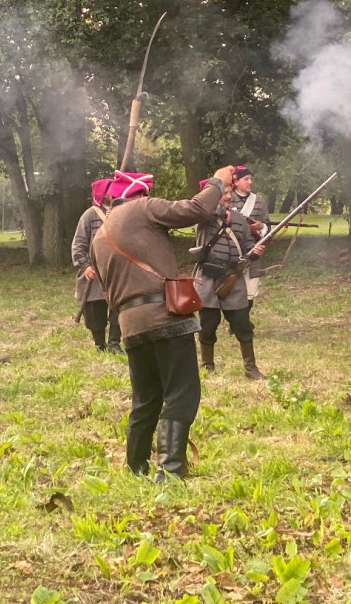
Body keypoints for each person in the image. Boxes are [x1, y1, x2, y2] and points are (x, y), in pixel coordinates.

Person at [90, 166, 234, 481]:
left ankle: (136, 467)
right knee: (182, 393)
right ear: (139, 194)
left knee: (146, 399)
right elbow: (194, 209)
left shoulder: (99, 237)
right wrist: (217, 182)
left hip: (130, 325)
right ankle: (169, 471)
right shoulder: (144, 208)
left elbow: (106, 290)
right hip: (165, 318)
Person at [193, 179, 267, 380]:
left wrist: (254, 252)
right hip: (207, 278)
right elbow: (201, 209)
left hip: (233, 278)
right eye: (223, 193)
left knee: (242, 323)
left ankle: (250, 368)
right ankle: (207, 365)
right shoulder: (203, 217)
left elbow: (246, 245)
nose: (228, 196)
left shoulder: (239, 219)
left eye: (228, 193)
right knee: (208, 325)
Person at [72, 178, 122, 353]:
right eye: (109, 190)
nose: (113, 193)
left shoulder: (121, 212)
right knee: (95, 309)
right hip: (94, 270)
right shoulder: (89, 215)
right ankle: (100, 344)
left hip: (116, 270)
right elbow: (78, 244)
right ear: (102, 194)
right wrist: (85, 266)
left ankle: (115, 343)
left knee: (118, 307)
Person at [228, 166, 270, 314]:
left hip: (253, 252)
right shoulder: (227, 199)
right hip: (231, 251)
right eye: (246, 179)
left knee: (250, 292)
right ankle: (238, 322)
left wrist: (262, 226)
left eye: (250, 179)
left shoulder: (259, 202)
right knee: (231, 290)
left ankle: (243, 321)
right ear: (236, 181)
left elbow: (268, 228)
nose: (250, 182)